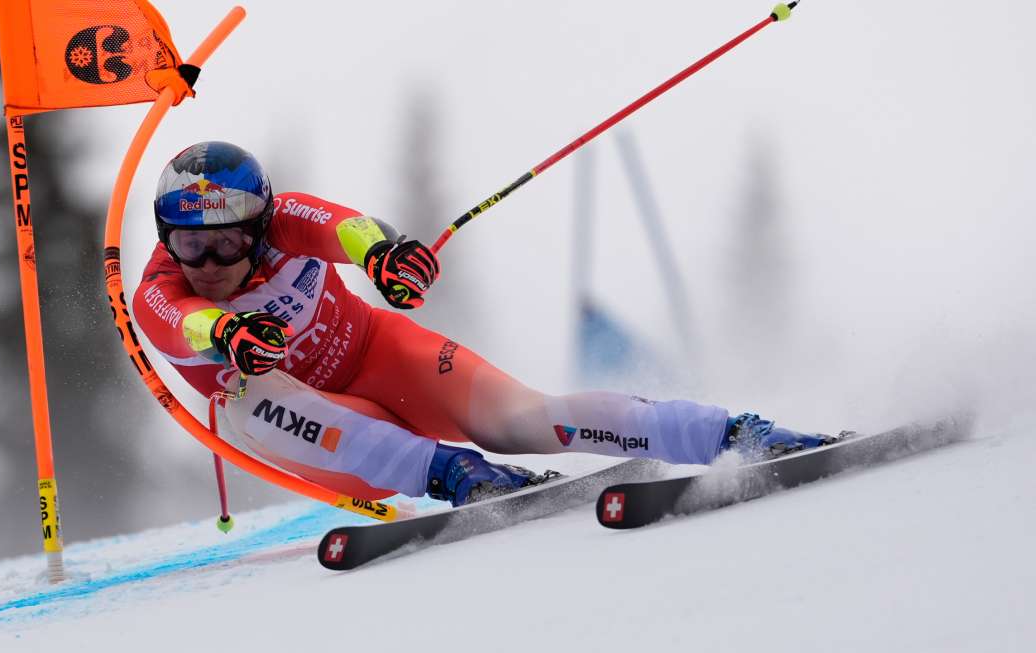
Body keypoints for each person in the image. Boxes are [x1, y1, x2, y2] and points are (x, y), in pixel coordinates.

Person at [133, 141, 836, 507]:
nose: (209, 262)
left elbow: (346, 227)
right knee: (244, 396)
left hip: (379, 356)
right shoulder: (160, 291)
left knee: (522, 418)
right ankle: (453, 473)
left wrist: (384, 255)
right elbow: (184, 323)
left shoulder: (285, 218)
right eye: (189, 243)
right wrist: (226, 334)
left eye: (228, 241)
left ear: (259, 228)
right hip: (326, 436)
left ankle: (724, 433)